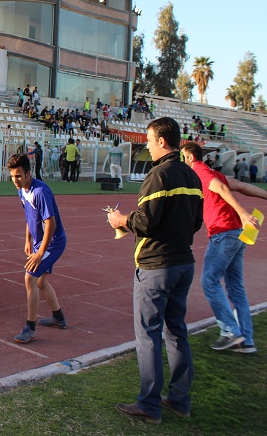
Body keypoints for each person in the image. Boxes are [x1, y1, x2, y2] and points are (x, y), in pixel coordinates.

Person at [108, 117, 204, 424]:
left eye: (149, 141)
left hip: (156, 267)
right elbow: (196, 223)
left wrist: (121, 220)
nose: (147, 146)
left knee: (148, 335)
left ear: (162, 141)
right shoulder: (191, 177)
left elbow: (145, 222)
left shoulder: (157, 175)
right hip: (183, 263)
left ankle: (149, 404)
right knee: (177, 332)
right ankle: (179, 399)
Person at [181, 141, 267, 355]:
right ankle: (246, 340)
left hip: (224, 232)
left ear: (190, 157)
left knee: (209, 280)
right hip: (237, 234)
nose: (183, 161)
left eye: (183, 157)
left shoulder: (200, 172)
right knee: (235, 286)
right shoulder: (212, 172)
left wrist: (244, 214)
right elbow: (239, 185)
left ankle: (230, 332)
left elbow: (220, 188)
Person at [6, 153, 67, 343]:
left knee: (29, 278)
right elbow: (29, 217)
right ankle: (58, 317)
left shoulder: (40, 191)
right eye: (12, 176)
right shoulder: (22, 190)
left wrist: (40, 253)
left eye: (18, 176)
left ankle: (30, 328)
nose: (15, 180)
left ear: (28, 173)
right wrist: (28, 240)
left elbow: (51, 224)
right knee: (40, 282)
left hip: (53, 242)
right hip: (39, 243)